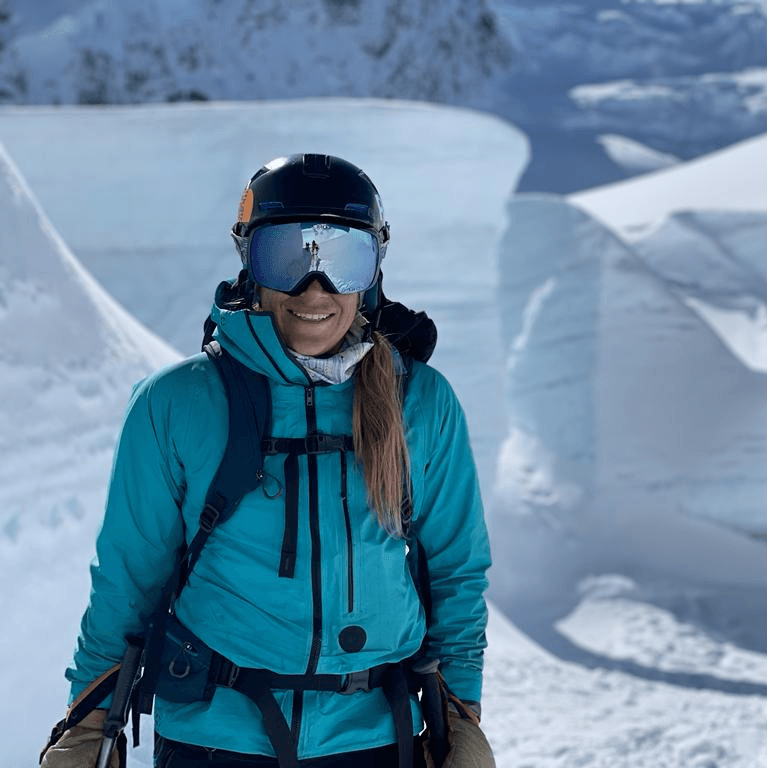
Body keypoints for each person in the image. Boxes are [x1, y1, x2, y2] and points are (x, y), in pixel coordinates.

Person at [39, 154, 494, 768]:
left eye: (342, 259)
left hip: (372, 740)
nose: (316, 290)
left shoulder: (422, 402)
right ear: (250, 265)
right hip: (213, 739)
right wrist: (89, 720)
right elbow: (127, 580)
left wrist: (461, 714)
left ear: (374, 269)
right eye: (287, 256)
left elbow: (456, 573)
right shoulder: (177, 404)